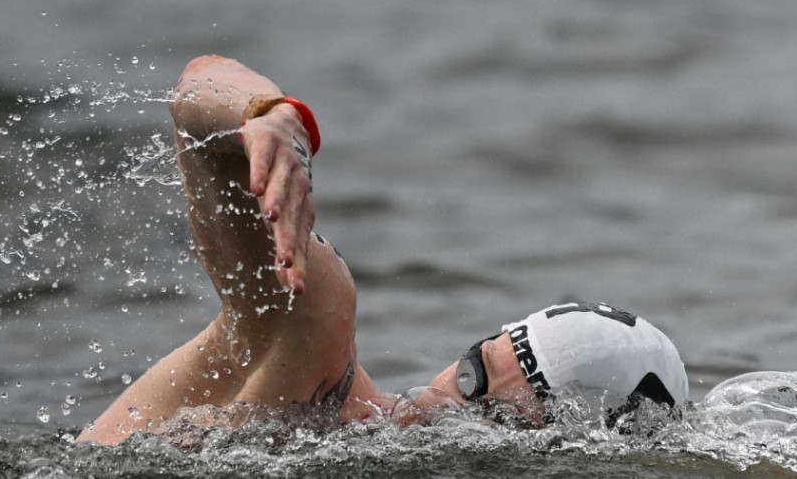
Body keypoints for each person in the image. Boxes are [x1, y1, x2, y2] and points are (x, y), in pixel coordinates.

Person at [76, 56, 688, 445]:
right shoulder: (317, 335)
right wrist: (266, 114)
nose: (448, 396)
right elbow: (195, 91)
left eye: (493, 411)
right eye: (472, 368)